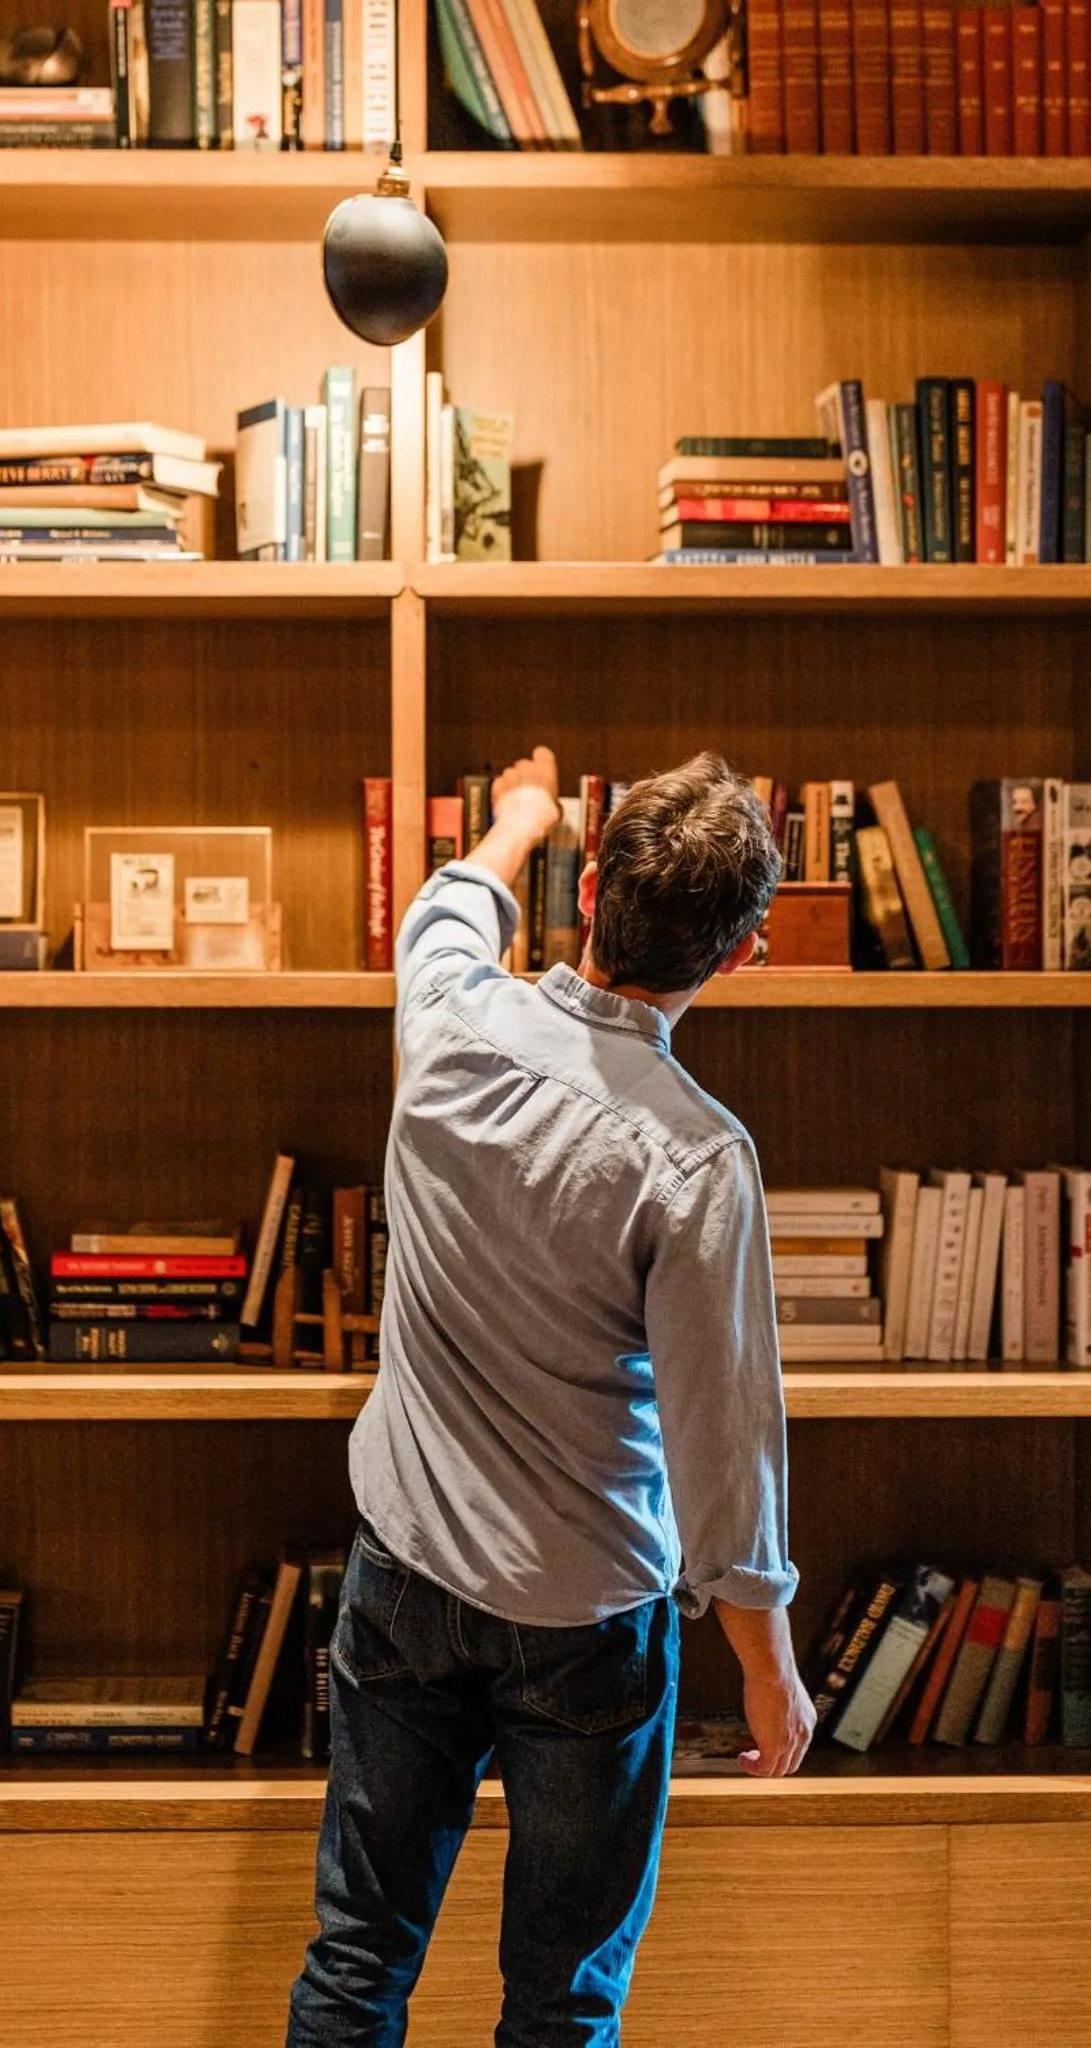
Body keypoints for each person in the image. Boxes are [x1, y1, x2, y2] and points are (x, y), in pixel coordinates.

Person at [287, 747, 815, 2048]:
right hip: (587, 1620)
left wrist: (518, 821)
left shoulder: (452, 1020)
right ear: (739, 958)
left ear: (590, 902)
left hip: (405, 1576)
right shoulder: (697, 1157)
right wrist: (769, 1666)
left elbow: (446, 909)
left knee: (357, 1966)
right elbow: (721, 1438)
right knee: (560, 2002)